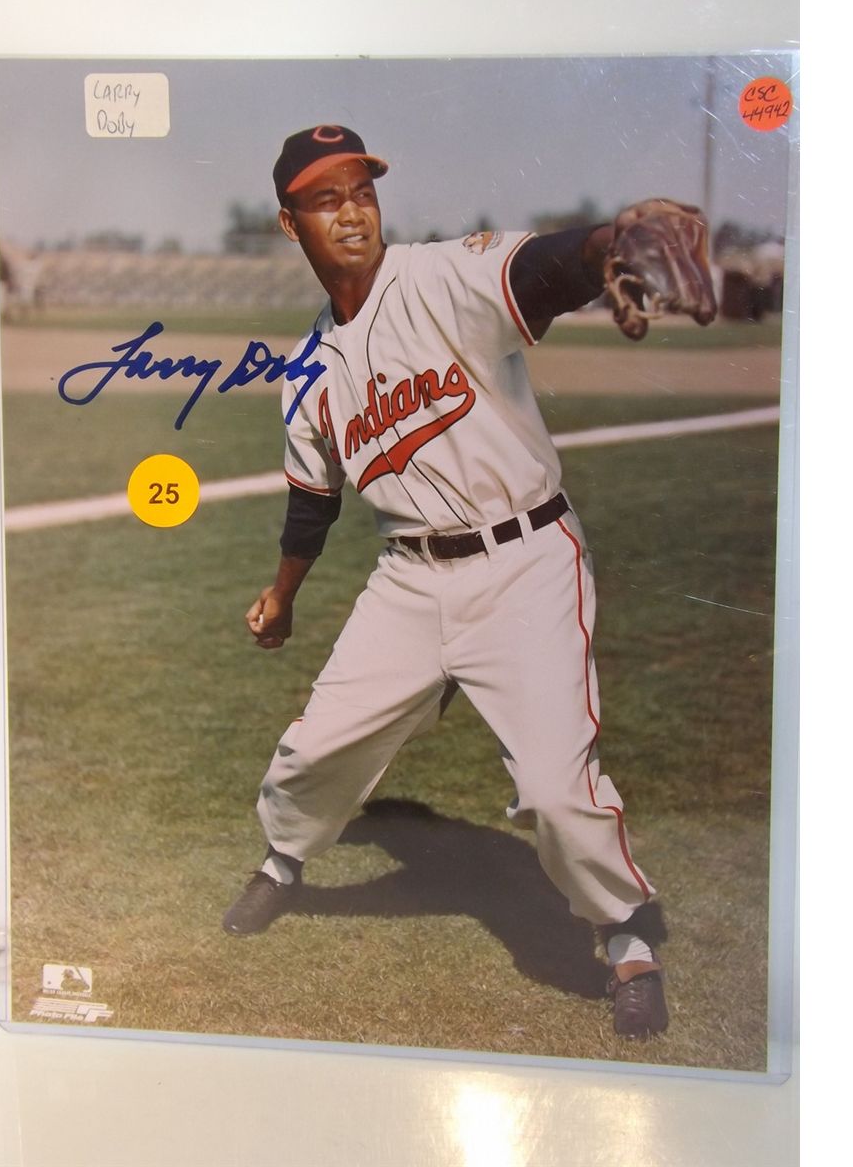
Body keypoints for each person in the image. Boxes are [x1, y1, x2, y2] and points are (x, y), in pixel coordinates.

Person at [221, 124, 669, 1040]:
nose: (351, 212)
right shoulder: (305, 370)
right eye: (325, 199)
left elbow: (540, 270)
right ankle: (283, 861)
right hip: (409, 578)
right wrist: (283, 593)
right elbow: (313, 499)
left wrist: (606, 245)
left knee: (554, 788)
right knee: (313, 750)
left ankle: (627, 937)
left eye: (361, 191)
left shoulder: (438, 276)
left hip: (525, 563)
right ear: (290, 223)